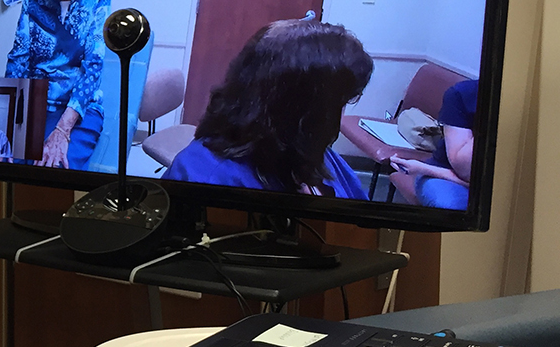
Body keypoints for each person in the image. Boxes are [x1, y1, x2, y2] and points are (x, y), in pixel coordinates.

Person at [164, 18, 373, 199]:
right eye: (339, 104)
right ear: (300, 111)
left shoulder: (312, 153)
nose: (339, 116)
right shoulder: (205, 179)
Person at [4, 0, 113, 169]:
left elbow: (94, 64)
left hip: (78, 107)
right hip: (35, 102)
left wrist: (63, 130)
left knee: (58, 167)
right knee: (7, 160)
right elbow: (19, 56)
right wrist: (7, 120)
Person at [389, 77, 476, 210]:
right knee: (451, 206)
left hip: (456, 177)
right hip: (448, 172)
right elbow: (465, 172)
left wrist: (422, 168)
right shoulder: (462, 94)